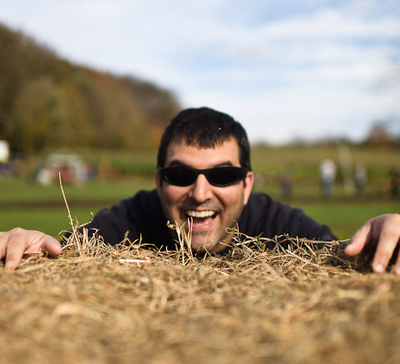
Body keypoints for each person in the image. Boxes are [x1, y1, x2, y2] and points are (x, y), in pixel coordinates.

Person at [1, 107, 400, 275]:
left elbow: (345, 260)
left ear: (247, 185)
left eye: (223, 176)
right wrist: (26, 246)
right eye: (180, 175)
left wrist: (385, 239)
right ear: (158, 182)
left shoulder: (284, 227)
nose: (200, 192)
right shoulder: (126, 222)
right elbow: (59, 258)